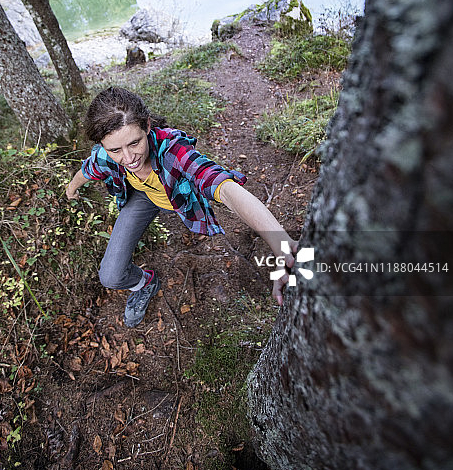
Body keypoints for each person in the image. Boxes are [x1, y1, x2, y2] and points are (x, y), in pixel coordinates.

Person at [66, 86, 296, 327]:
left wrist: (281, 245)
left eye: (134, 143)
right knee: (110, 276)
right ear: (103, 145)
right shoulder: (105, 156)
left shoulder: (173, 150)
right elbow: (87, 170)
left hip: (178, 193)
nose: (129, 157)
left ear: (147, 126)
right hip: (142, 198)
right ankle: (145, 283)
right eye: (115, 150)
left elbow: (225, 188)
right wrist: (71, 190)